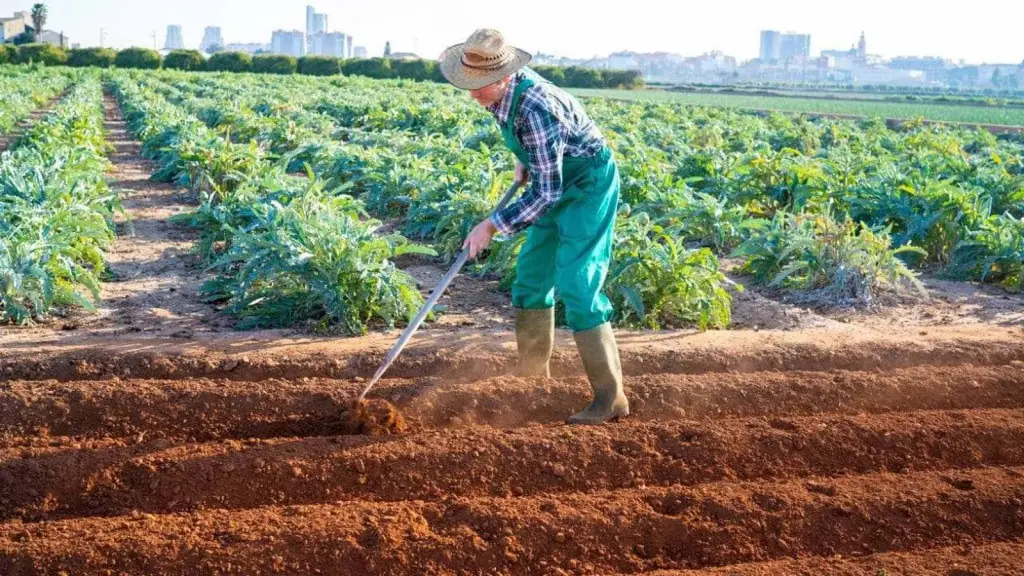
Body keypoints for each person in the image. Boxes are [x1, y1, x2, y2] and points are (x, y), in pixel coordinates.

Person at [438, 28, 628, 425]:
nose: (472, 93)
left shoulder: (537, 107)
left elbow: (546, 193)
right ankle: (532, 379)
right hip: (555, 180)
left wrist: (491, 225)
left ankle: (610, 399)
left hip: (587, 186)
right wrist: (529, 157)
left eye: (480, 86)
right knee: (531, 278)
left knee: (578, 283)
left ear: (504, 77)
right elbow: (543, 159)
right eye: (468, 83)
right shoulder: (502, 94)